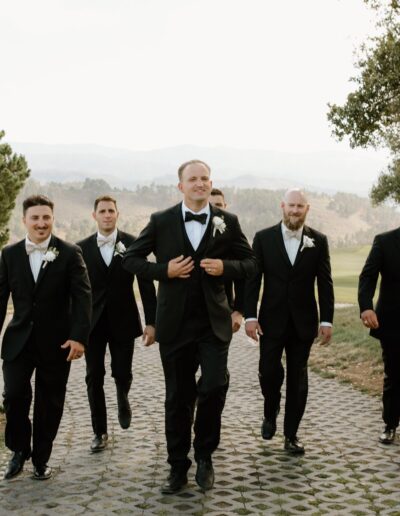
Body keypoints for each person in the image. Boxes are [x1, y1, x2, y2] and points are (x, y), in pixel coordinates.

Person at [123, 160, 257, 493]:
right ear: (180, 186)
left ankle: (205, 455)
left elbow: (252, 263)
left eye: (205, 179)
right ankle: (177, 467)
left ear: (211, 184)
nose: (200, 184)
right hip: (175, 325)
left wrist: (225, 267)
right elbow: (130, 259)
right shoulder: (161, 221)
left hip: (214, 324)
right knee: (178, 397)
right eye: (193, 179)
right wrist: (163, 271)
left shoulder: (228, 221)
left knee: (213, 386)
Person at [0, 195, 91, 480]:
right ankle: (18, 449)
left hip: (57, 343)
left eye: (46, 217)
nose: (41, 223)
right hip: (18, 341)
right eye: (35, 218)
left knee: (49, 403)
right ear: (24, 220)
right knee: (14, 396)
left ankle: (41, 459)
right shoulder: (9, 254)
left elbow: (83, 297)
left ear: (52, 219)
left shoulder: (69, 252)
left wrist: (79, 337)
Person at [245, 189, 334, 454]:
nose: (295, 211)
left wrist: (327, 319)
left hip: (304, 322)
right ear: (282, 206)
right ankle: (271, 409)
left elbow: (325, 283)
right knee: (268, 372)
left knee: (298, 379)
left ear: (307, 209)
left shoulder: (319, 240)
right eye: (291, 205)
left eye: (300, 206)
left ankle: (291, 435)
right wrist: (250, 315)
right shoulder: (263, 238)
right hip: (271, 321)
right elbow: (253, 279)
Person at [77, 195, 157, 453]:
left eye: (111, 210)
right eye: (102, 211)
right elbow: (75, 292)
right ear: (94, 215)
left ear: (117, 214)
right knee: (93, 377)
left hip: (124, 320)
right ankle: (99, 432)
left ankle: (123, 397)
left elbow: (145, 284)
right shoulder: (80, 249)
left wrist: (151, 322)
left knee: (122, 372)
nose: (107, 215)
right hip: (93, 324)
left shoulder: (132, 244)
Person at [358, 229, 400, 445]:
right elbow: (368, 275)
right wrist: (366, 307)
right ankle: (390, 424)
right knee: (394, 373)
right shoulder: (384, 241)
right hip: (394, 321)